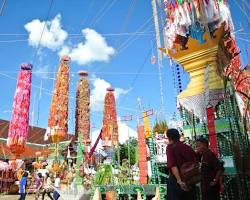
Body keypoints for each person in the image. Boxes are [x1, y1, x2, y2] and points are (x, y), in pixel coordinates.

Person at [166, 128, 197, 200]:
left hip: (177, 180)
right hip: (190, 180)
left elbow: (173, 166)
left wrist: (179, 181)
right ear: (178, 136)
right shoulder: (187, 147)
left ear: (169, 137)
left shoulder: (170, 147)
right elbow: (195, 162)